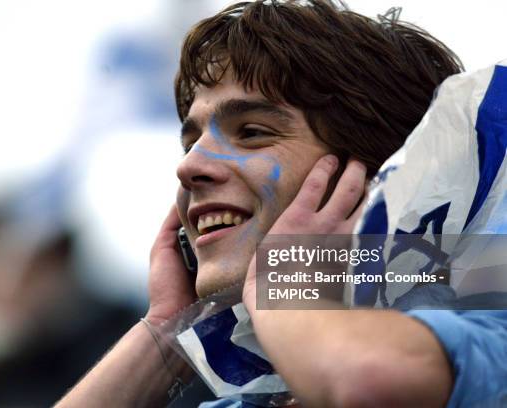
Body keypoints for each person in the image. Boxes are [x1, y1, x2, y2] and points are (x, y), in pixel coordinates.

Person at [58, 1, 506, 406]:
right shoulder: (257, 395)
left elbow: (370, 383)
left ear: (377, 176)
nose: (188, 167)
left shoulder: (488, 317)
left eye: (252, 132)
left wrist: (286, 282)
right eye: (190, 142)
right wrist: (167, 332)